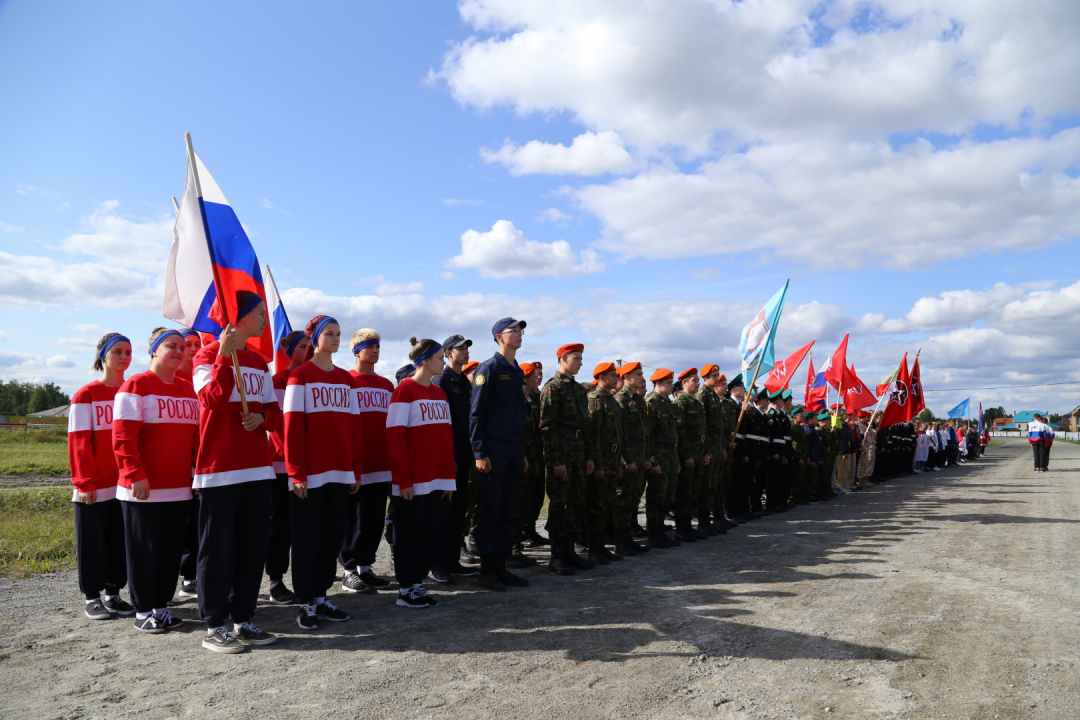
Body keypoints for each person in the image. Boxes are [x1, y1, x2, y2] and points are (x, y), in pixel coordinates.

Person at [192, 291, 282, 653]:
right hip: (219, 471)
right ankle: (214, 625)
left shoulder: (260, 363)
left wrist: (261, 417)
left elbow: (276, 415)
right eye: (260, 313)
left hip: (258, 470)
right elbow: (212, 399)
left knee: (251, 548)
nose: (264, 319)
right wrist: (225, 356)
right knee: (217, 550)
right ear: (242, 317)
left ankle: (244, 619)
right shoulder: (205, 356)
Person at [113, 328, 199, 634]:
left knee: (170, 552)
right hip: (143, 490)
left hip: (179, 488)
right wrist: (135, 474)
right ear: (154, 351)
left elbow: (195, 441)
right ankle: (142, 610)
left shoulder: (189, 389)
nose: (178, 351)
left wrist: (199, 473)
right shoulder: (135, 384)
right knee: (143, 552)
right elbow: (123, 437)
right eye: (170, 346)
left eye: (182, 347)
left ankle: (161, 607)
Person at [284, 316, 361, 629]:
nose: (335, 338)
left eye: (339, 334)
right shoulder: (300, 376)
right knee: (306, 539)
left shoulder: (346, 379)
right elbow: (291, 428)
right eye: (329, 333)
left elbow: (354, 428)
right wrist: (295, 472)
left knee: (331, 537)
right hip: (309, 475)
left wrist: (355, 469)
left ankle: (320, 597)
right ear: (315, 338)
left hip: (340, 472)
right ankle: (305, 602)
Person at [69, 332, 135, 621]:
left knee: (119, 542)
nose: (124, 357)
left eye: (128, 352)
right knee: (93, 542)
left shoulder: (131, 392)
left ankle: (113, 594)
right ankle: (92, 597)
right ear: (103, 356)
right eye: (118, 351)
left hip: (122, 485)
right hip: (93, 486)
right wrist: (84, 482)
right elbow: (78, 441)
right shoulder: (87, 394)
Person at [386, 338, 456, 607]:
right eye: (440, 357)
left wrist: (448, 477)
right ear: (424, 360)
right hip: (413, 482)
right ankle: (406, 589)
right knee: (409, 535)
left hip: (438, 479)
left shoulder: (439, 393)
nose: (443, 361)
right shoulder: (405, 390)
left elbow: (445, 437)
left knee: (430, 534)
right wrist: (402, 479)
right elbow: (394, 438)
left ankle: (417, 585)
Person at [469, 318, 531, 590]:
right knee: (491, 509)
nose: (519, 335)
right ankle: (486, 570)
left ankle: (501, 566)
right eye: (513, 331)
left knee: (509, 508)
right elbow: (476, 413)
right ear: (498, 337)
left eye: (520, 331)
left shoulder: (516, 370)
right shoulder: (489, 368)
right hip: (493, 449)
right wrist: (480, 452)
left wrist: (523, 451)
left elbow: (518, 414)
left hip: (514, 449)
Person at [338, 328, 397, 595]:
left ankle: (365, 567)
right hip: (357, 464)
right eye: (369, 346)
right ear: (355, 350)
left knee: (374, 519)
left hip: (382, 462)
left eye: (377, 346)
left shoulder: (386, 385)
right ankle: (348, 571)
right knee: (353, 518)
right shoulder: (346, 381)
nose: (374, 350)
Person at [539, 344, 595, 575]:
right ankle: (557, 555)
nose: (580, 362)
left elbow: (585, 427)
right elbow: (547, 428)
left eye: (581, 358)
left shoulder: (579, 390)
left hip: (579, 452)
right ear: (563, 359)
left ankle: (570, 551)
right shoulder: (553, 388)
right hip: (561, 453)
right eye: (576, 358)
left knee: (576, 503)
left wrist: (589, 457)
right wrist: (556, 461)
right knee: (560, 504)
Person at [430, 334, 481, 584]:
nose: (465, 352)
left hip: (463, 453)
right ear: (448, 353)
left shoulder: (463, 379)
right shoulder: (442, 380)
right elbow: (441, 422)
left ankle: (452, 561)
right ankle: (437, 564)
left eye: (466, 348)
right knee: (443, 512)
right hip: (448, 455)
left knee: (458, 510)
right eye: (460, 349)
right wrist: (446, 456)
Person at [264, 330, 308, 604]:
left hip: (310, 469)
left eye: (310, 346)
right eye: (304, 346)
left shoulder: (314, 380)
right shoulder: (276, 382)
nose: (309, 351)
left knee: (303, 528)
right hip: (280, 467)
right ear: (290, 351)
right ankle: (275, 581)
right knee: (279, 527)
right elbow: (276, 427)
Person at [586, 362, 625, 564]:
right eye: (612, 375)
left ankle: (601, 547)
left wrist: (618, 462)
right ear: (602, 378)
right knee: (596, 505)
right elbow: (593, 437)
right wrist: (598, 465)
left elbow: (616, 436)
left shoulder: (611, 400)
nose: (616, 379)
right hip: (601, 462)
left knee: (606, 504)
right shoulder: (595, 400)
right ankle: (594, 548)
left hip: (612, 461)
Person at [613, 362, 651, 555]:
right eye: (638, 374)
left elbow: (644, 433)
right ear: (627, 378)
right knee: (622, 501)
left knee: (633, 500)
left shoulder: (639, 400)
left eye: (642, 374)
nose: (643, 378)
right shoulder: (620, 400)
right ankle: (620, 541)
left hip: (638, 458)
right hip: (627, 460)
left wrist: (645, 457)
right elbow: (618, 435)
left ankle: (628, 538)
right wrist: (623, 461)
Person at [176, 328, 203, 598]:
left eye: (198, 344)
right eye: (187, 344)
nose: (193, 349)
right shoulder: (171, 379)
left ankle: (190, 576)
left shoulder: (201, 378)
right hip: (175, 465)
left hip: (201, 463)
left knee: (196, 523)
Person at [509, 362, 544, 567]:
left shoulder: (529, 400)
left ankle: (517, 546)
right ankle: (511, 549)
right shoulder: (518, 401)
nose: (537, 379)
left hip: (529, 457)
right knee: (517, 505)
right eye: (534, 376)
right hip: (519, 458)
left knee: (526, 503)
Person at [644, 369, 679, 549]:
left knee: (666, 496)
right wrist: (653, 460)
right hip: (658, 456)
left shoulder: (667, 403)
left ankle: (660, 532)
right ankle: (653, 534)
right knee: (656, 497)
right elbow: (647, 435)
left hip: (670, 457)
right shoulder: (651, 402)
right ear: (658, 384)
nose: (672, 386)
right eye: (668, 383)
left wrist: (676, 460)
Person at [672, 368, 707, 541]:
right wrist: (686, 455)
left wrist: (705, 451)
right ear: (683, 383)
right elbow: (680, 433)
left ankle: (689, 527)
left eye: (698, 380)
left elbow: (702, 430)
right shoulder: (680, 403)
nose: (697, 383)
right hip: (688, 453)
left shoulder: (697, 403)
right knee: (684, 492)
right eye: (694, 380)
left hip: (699, 451)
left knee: (694, 491)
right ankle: (681, 528)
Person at [697, 365, 727, 534]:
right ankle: (704, 521)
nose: (717, 378)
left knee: (715, 484)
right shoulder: (703, 395)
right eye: (714, 376)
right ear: (706, 378)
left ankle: (717, 517)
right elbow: (704, 426)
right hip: (708, 444)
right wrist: (707, 449)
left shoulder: (713, 396)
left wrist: (722, 446)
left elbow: (718, 426)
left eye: (717, 375)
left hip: (717, 444)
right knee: (706, 486)